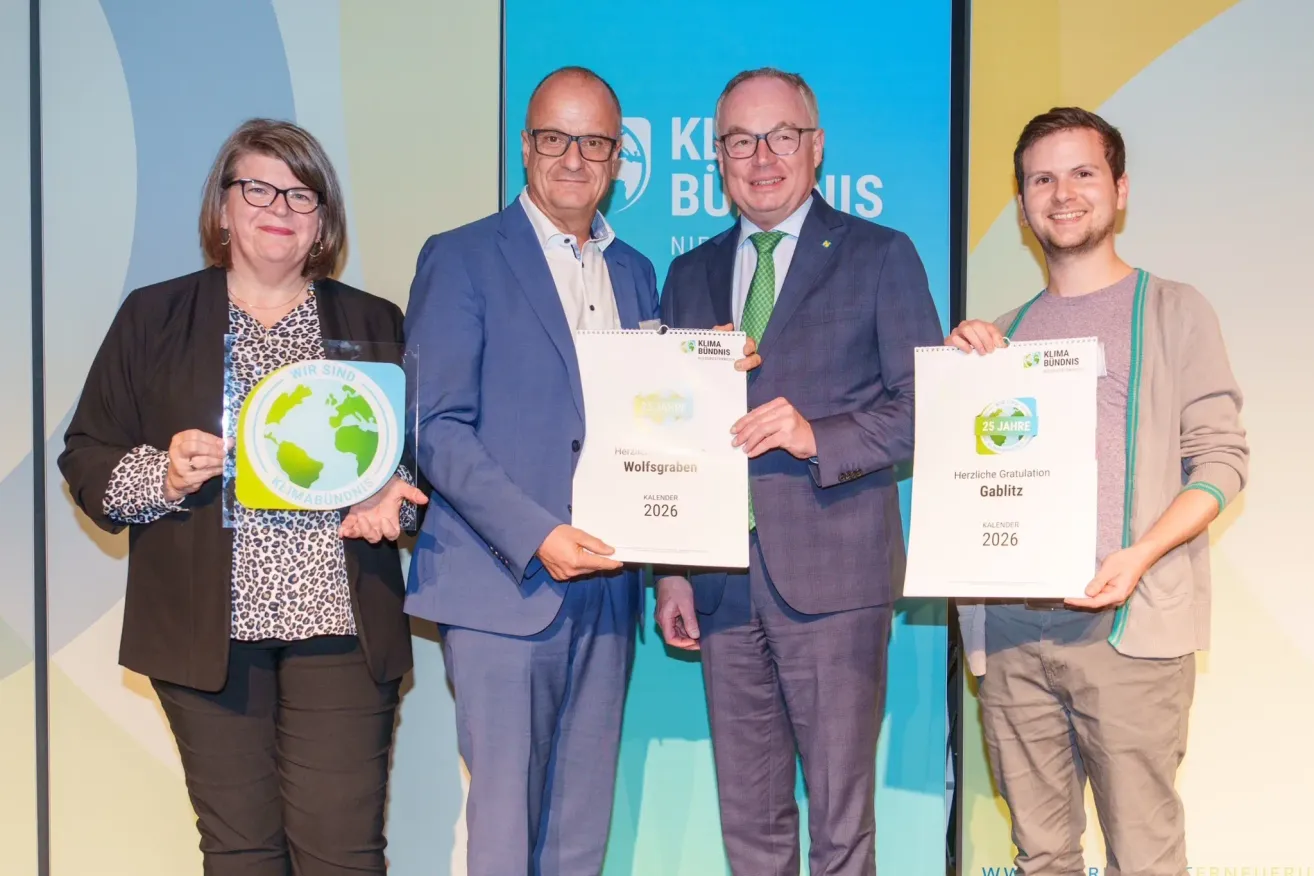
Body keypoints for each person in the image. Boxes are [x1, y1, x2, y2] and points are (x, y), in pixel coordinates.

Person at [59, 118, 426, 876]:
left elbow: (417, 464)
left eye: (301, 194)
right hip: (206, 636)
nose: (279, 208)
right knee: (241, 854)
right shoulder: (154, 317)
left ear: (323, 220)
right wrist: (163, 474)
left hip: (341, 628)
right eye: (258, 188)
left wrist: (396, 499)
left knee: (344, 855)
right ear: (222, 207)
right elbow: (87, 455)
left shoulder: (374, 321)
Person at [654, 68, 944, 876]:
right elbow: (667, 435)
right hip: (720, 585)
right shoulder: (690, 275)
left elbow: (927, 407)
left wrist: (818, 436)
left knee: (841, 828)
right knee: (750, 827)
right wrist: (670, 570)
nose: (762, 157)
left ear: (816, 147)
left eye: (781, 136)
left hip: (835, 581)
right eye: (740, 141)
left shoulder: (880, 255)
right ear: (718, 158)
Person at [949, 107, 1248, 876]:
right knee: (1042, 855)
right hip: (1011, 635)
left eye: (1083, 173)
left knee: (1144, 858)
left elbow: (1221, 463)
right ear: (1022, 204)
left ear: (1120, 189)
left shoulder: (1175, 309)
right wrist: (957, 380)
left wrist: (1138, 556)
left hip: (1129, 628)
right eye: (1041, 179)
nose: (1063, 194)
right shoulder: (1001, 337)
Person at [403, 67, 660, 876]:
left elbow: (649, 415)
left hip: (608, 590)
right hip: (503, 586)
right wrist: (538, 533)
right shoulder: (462, 257)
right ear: (525, 146)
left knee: (580, 836)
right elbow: (435, 428)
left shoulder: (635, 272)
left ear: (617, 157)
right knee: (507, 835)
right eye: (556, 138)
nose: (574, 159)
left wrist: (708, 366)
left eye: (594, 142)